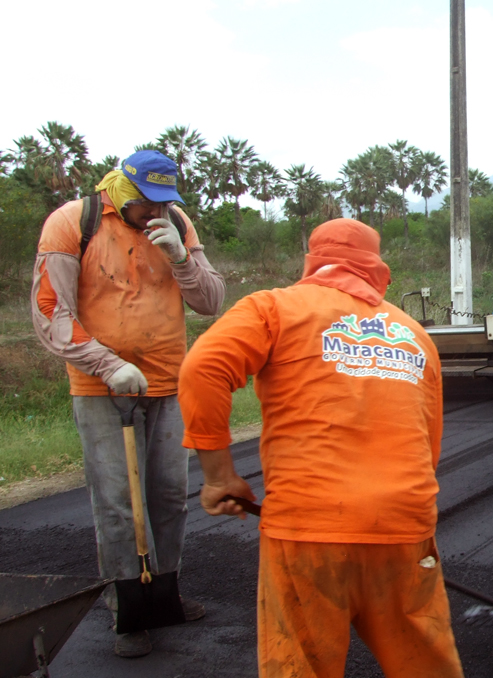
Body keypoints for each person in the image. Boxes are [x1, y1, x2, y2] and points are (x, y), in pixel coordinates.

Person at [177, 218, 464, 678]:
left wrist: (219, 476)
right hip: (404, 526)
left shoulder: (273, 308)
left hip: (309, 529)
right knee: (424, 666)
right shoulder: (415, 334)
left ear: (313, 261)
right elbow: (428, 443)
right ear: (376, 267)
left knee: (301, 667)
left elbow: (201, 370)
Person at [31, 150, 225, 657]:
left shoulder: (175, 222)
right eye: (146, 203)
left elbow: (210, 302)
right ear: (120, 188)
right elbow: (51, 311)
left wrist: (183, 261)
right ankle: (129, 612)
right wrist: (106, 363)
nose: (155, 212)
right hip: (103, 387)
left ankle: (165, 596)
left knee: (166, 497)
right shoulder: (72, 223)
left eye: (165, 202)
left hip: (167, 383)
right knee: (118, 504)